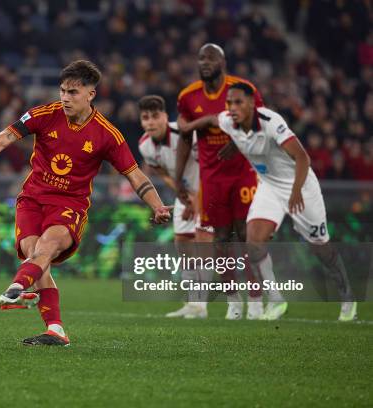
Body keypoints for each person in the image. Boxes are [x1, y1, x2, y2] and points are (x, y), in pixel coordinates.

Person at [0, 60, 172, 346]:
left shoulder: (107, 134)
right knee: (35, 256)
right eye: (63, 91)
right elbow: (4, 137)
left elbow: (134, 174)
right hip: (31, 199)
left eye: (73, 92)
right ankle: (56, 329)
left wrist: (157, 205)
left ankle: (16, 287)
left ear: (91, 94)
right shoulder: (44, 114)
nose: (65, 97)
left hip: (70, 205)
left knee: (46, 248)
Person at [180, 82, 357, 321]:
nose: (232, 107)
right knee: (253, 240)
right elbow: (211, 119)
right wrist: (188, 127)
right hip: (269, 187)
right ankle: (275, 300)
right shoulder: (228, 121)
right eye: (229, 102)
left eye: (238, 102)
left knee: (321, 248)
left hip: (301, 186)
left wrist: (295, 192)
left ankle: (347, 296)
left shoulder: (272, 122)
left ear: (252, 103)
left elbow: (302, 158)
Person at [175, 43, 263, 320]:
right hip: (211, 178)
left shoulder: (243, 89)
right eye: (201, 57)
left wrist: (238, 143)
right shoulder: (188, 97)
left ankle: (257, 299)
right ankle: (233, 300)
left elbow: (260, 125)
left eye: (210, 57)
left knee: (247, 237)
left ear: (223, 61)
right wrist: (178, 179)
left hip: (244, 174)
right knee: (220, 242)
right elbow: (185, 138)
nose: (204, 62)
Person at [137, 95, 214, 319]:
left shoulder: (187, 135)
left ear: (164, 116)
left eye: (154, 117)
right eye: (145, 118)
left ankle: (202, 306)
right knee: (183, 245)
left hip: (209, 191)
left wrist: (197, 199)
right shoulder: (145, 145)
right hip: (186, 195)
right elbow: (162, 172)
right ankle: (192, 303)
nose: (150, 122)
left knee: (203, 244)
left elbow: (210, 166)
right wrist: (183, 194)